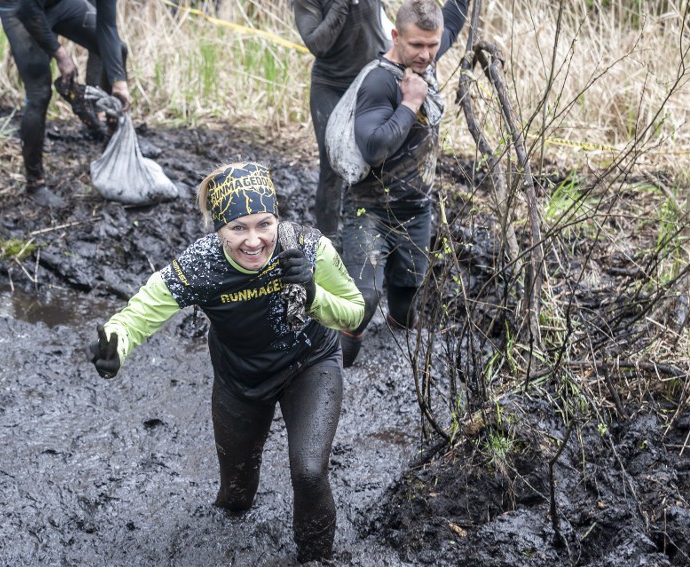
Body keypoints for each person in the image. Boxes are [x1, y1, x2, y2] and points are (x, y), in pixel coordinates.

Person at [88, 162, 364, 563]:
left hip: (310, 364)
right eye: (238, 228)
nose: (253, 241)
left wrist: (312, 293)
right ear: (218, 230)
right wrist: (116, 344)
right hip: (241, 381)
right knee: (235, 499)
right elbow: (140, 314)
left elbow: (354, 314)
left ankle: (315, 558)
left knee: (308, 472)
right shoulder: (201, 266)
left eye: (263, 224)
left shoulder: (307, 247)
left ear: (276, 218)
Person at [338, 0, 469, 367]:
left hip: (416, 211)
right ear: (396, 36)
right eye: (417, 46)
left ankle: (396, 373)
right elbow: (374, 146)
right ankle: (335, 375)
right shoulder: (380, 80)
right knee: (364, 299)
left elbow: (455, 19)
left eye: (433, 45)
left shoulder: (426, 53)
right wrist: (411, 103)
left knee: (407, 301)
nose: (427, 54)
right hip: (371, 210)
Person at [0, 0, 131, 208]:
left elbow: (107, 27)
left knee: (117, 50)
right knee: (39, 93)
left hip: (57, 3)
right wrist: (61, 54)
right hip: (19, 7)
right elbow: (28, 9)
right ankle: (35, 184)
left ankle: (111, 144)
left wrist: (119, 83)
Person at [293, 0, 391, 241]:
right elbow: (318, 45)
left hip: (372, 78)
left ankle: (373, 237)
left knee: (380, 162)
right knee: (332, 169)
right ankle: (326, 244)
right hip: (331, 85)